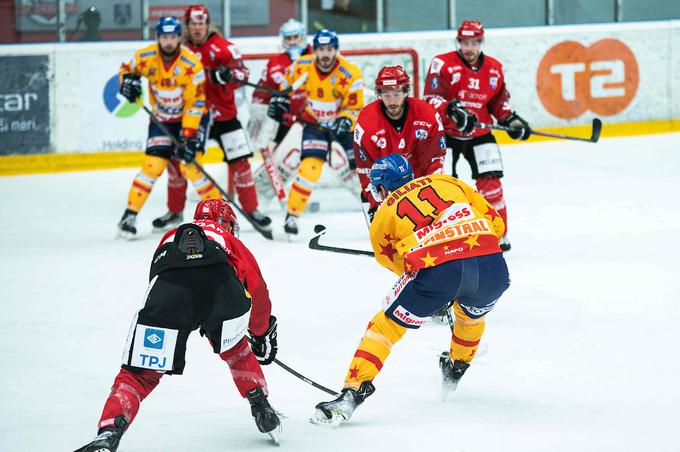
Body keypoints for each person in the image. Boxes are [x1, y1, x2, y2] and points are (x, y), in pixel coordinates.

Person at [312, 154, 510, 426]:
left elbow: (396, 264)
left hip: (438, 272)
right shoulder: (447, 181)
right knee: (470, 315)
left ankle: (351, 393)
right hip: (492, 267)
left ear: (381, 188)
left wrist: (438, 282)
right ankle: (457, 367)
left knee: (384, 328)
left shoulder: (382, 215)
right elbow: (495, 222)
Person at [76, 199, 281, 452]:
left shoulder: (170, 236)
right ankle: (260, 403)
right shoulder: (229, 240)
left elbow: (158, 279)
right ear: (227, 223)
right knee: (236, 349)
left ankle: (107, 434)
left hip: (171, 291)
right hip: (221, 286)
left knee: (140, 372)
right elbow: (257, 288)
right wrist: (261, 332)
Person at [153, 4, 272, 234]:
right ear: (187, 27)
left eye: (201, 23)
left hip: (224, 114)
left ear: (208, 25)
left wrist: (228, 75)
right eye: (193, 24)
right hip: (191, 117)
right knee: (179, 163)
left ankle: (252, 210)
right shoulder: (179, 49)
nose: (197, 28)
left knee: (241, 163)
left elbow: (242, 74)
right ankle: (175, 211)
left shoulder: (224, 48)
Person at [423, 20, 532, 252]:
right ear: (458, 41)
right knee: (442, 187)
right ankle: (442, 236)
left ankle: (498, 233)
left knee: (491, 187)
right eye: (465, 42)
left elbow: (499, 104)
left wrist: (512, 120)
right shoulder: (441, 63)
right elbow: (430, 99)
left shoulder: (494, 68)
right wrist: (454, 111)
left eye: (474, 42)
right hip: (447, 134)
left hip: (480, 134)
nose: (469, 48)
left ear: (481, 42)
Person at [116, 16, 220, 240]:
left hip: (192, 119)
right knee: (152, 166)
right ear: (158, 38)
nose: (169, 42)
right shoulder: (146, 57)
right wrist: (127, 81)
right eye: (165, 37)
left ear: (179, 38)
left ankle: (219, 214)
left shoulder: (191, 64)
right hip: (161, 120)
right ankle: (129, 215)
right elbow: (127, 69)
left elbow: (196, 103)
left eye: (173, 37)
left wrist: (189, 137)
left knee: (190, 167)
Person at [267, 28, 364, 235]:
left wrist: (345, 122)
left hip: (343, 129)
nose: (325, 54)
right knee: (309, 169)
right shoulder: (302, 66)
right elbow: (285, 85)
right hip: (315, 125)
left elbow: (355, 107)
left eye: (330, 49)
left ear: (336, 50)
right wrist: (279, 99)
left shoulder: (350, 73)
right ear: (315, 50)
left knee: (360, 172)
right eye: (321, 49)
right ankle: (292, 215)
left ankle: (377, 213)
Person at [353, 65, 446, 224]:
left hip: (419, 185)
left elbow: (434, 162)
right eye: (386, 94)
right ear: (379, 94)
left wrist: (429, 196)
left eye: (396, 94)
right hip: (383, 190)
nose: (392, 101)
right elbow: (366, 170)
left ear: (405, 92)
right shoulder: (366, 123)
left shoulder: (427, 116)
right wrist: (377, 206)